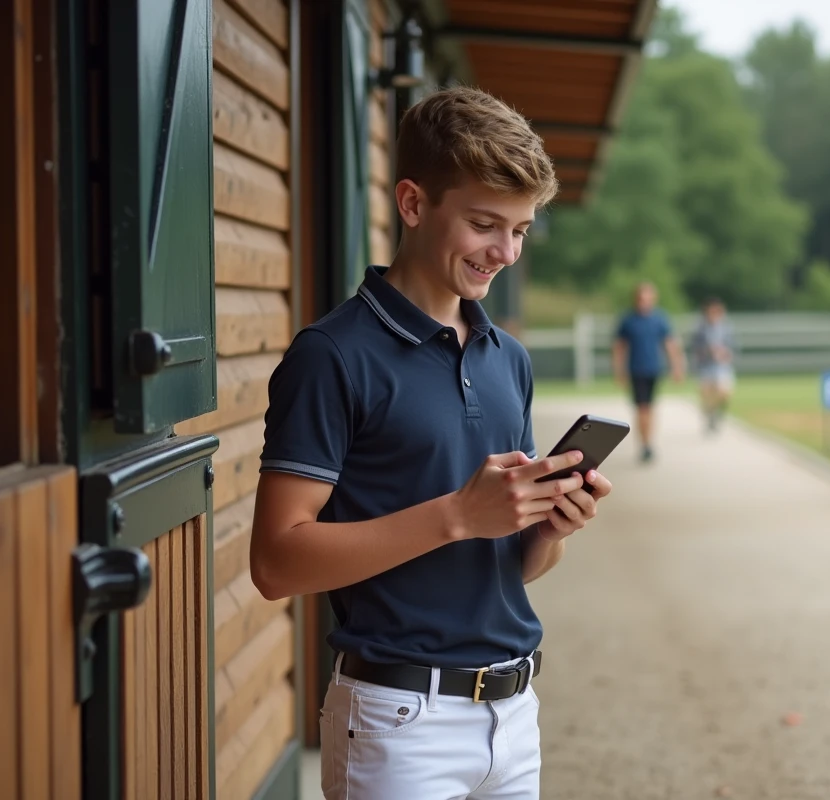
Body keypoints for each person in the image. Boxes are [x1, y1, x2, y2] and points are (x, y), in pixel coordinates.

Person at [249, 86, 613, 800]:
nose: (505, 252)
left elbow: (511, 568)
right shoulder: (331, 356)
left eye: (521, 229)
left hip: (514, 716)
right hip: (397, 723)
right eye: (484, 224)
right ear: (413, 204)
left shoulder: (509, 359)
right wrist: (458, 515)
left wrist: (550, 528)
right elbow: (274, 562)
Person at [611, 282, 686, 462]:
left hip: (654, 369)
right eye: (641, 298)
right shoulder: (628, 320)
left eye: (647, 298)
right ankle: (644, 445)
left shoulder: (659, 319)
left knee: (650, 408)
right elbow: (619, 347)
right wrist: (619, 370)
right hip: (636, 370)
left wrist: (677, 367)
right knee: (642, 408)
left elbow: (669, 344)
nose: (644, 302)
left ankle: (648, 441)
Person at [690, 297, 737, 433]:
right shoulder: (701, 329)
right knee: (706, 394)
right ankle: (710, 416)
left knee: (724, 393)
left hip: (722, 366)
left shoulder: (726, 328)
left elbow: (734, 347)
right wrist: (708, 351)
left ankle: (717, 414)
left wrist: (725, 353)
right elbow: (695, 348)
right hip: (706, 366)